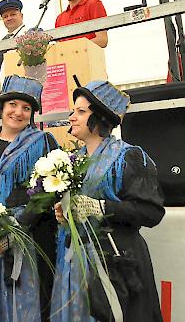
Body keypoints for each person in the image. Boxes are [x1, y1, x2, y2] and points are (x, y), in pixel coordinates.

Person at [52, 81, 164, 322]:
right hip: (77, 263)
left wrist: (101, 207)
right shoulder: (71, 161)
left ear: (102, 117)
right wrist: (64, 214)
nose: (72, 117)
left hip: (117, 262)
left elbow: (151, 212)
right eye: (74, 111)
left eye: (81, 112)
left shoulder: (130, 156)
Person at [0, 75, 59, 322]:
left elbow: (47, 194)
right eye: (12, 105)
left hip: (26, 242)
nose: (18, 112)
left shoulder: (44, 143)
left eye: (26, 108)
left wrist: (13, 231)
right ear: (1, 107)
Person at [0, 0, 26, 80]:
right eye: (5, 16)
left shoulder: (31, 34)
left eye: (13, 14)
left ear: (21, 16)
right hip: (5, 88)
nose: (9, 18)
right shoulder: (3, 42)